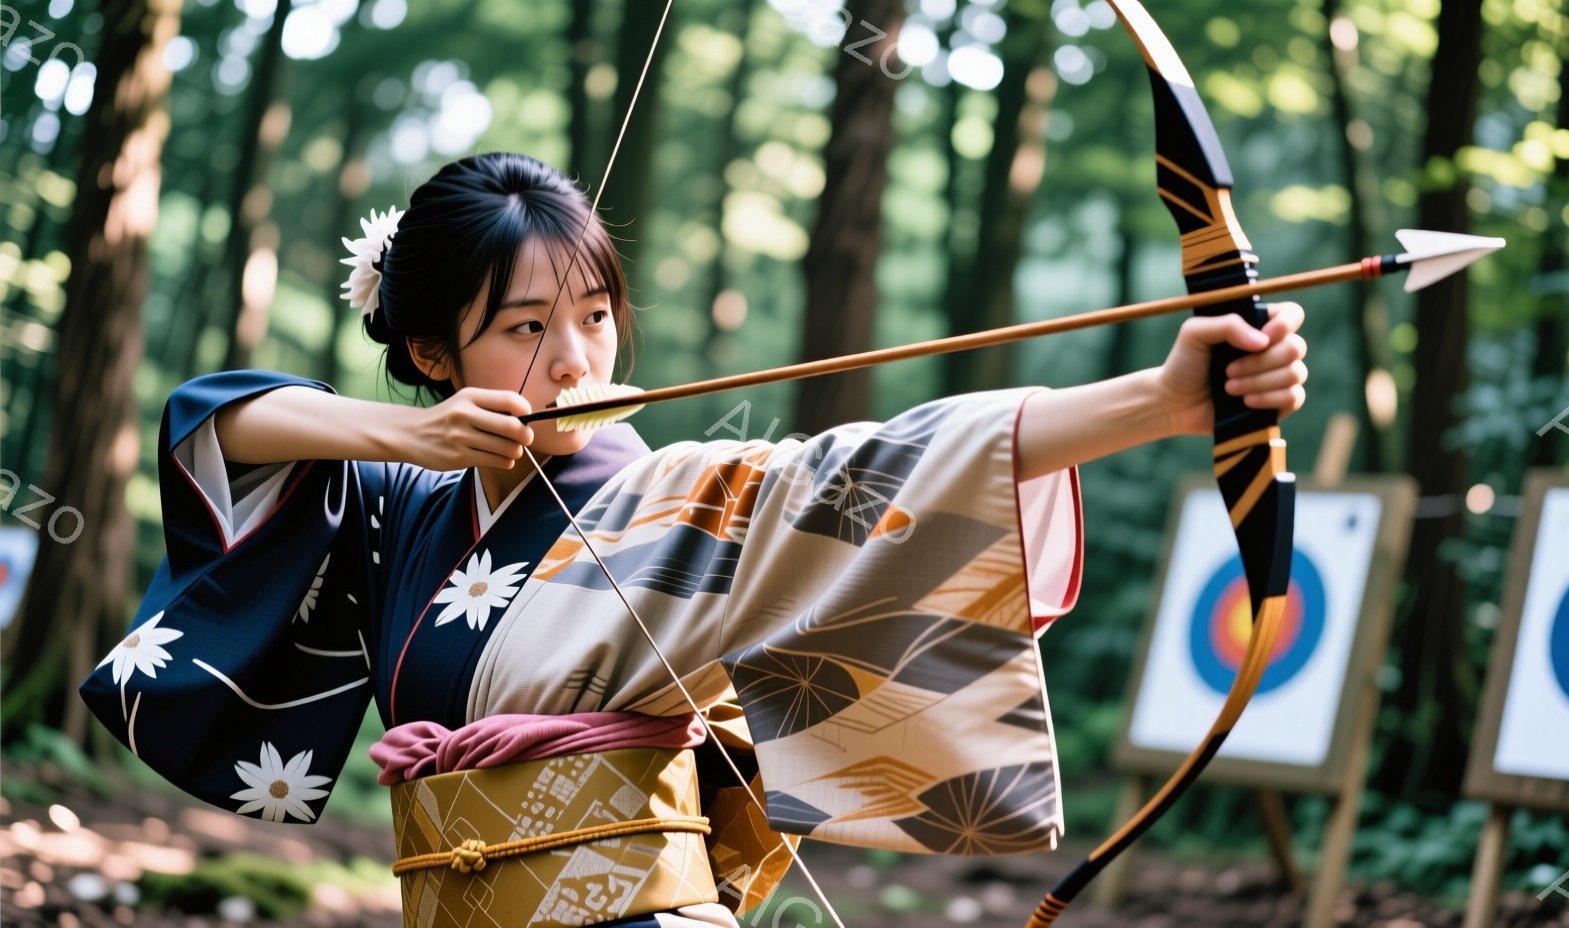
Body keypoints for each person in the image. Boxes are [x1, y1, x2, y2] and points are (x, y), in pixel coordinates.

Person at [79, 151, 1308, 927]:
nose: (575, 359)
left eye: (596, 315)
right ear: (430, 356)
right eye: (523, 328)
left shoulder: (676, 492)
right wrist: (414, 442)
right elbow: (217, 420)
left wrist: (1164, 401)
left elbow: (864, 471)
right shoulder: (399, 506)